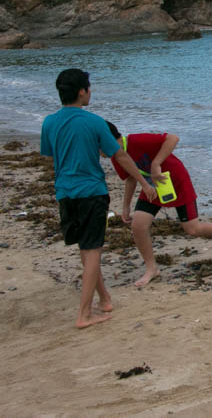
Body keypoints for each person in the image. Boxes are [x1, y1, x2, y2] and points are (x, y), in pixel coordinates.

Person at [40, 69, 157, 328]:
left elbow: (49, 155)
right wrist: (142, 182)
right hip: (91, 193)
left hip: (65, 193)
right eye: (89, 88)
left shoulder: (49, 122)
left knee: (86, 248)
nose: (90, 92)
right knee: (92, 251)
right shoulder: (94, 122)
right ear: (82, 91)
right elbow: (120, 156)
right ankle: (84, 314)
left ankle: (104, 298)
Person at [105, 122, 212, 287]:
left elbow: (173, 138)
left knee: (192, 229)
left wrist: (156, 163)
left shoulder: (136, 141)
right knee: (138, 225)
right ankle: (151, 269)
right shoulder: (116, 157)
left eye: (96, 145)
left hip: (176, 180)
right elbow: (131, 178)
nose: (96, 151)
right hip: (153, 188)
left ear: (106, 140)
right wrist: (126, 206)